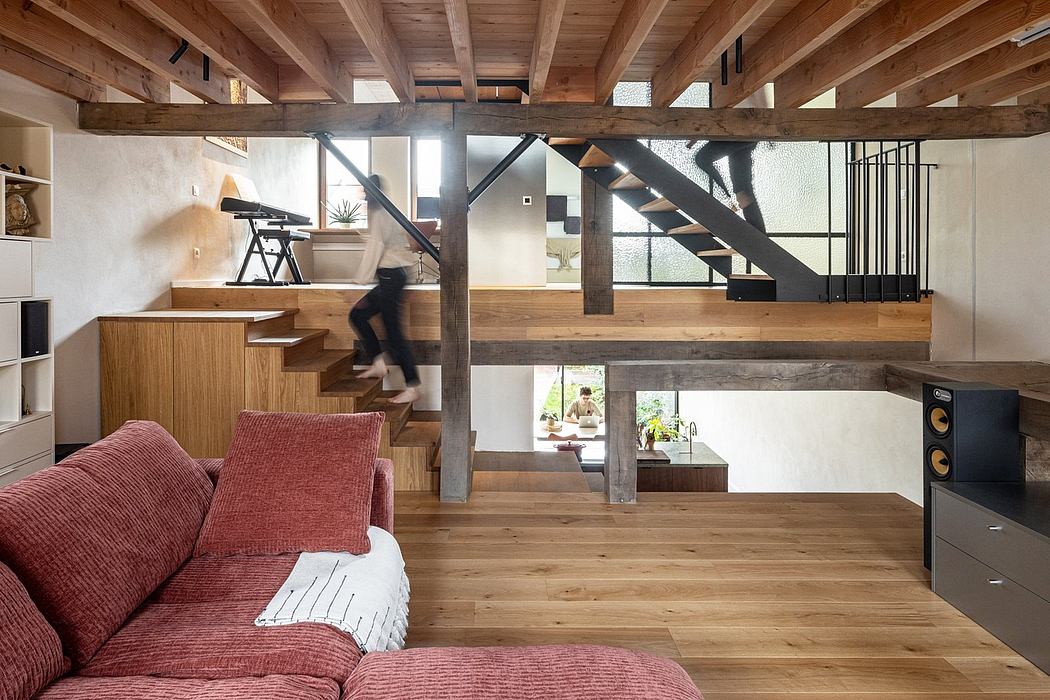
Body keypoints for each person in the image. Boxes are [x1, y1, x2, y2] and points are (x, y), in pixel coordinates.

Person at [350, 174, 421, 404]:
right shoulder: (384, 211)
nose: (364, 194)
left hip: (392, 276)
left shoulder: (381, 213)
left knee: (394, 334)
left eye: (366, 190)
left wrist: (359, 282)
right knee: (358, 315)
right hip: (392, 276)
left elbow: (376, 247)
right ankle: (378, 364)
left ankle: (411, 386)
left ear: (373, 191)